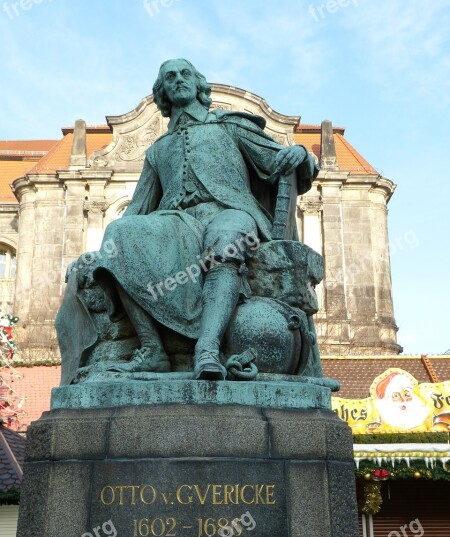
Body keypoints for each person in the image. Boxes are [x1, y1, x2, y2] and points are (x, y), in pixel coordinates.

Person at [94, 58, 318, 379]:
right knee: (119, 233)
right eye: (170, 77)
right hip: (176, 221)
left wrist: (303, 155)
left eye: (186, 74)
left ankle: (208, 349)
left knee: (226, 240)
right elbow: (138, 208)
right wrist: (100, 253)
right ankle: (152, 349)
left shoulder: (230, 125)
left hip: (230, 213)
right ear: (163, 93)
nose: (178, 80)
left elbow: (279, 160)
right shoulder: (158, 150)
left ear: (199, 86)